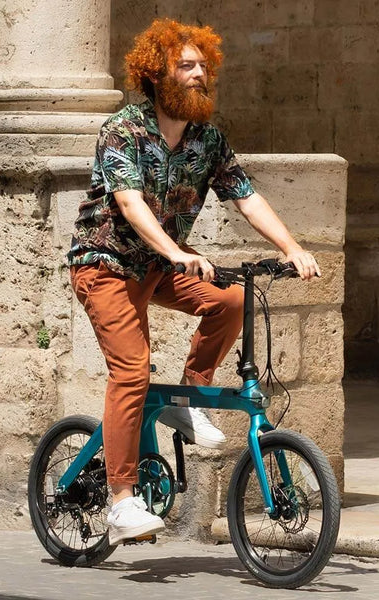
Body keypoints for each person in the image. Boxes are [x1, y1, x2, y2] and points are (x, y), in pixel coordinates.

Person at [67, 19, 321, 546]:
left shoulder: (208, 141)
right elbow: (130, 206)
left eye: (203, 64)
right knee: (132, 371)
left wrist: (291, 247)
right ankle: (120, 501)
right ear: (157, 74)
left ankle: (187, 397)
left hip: (160, 269)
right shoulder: (123, 130)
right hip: (106, 265)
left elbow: (246, 197)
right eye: (187, 65)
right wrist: (178, 252)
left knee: (230, 298)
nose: (200, 73)